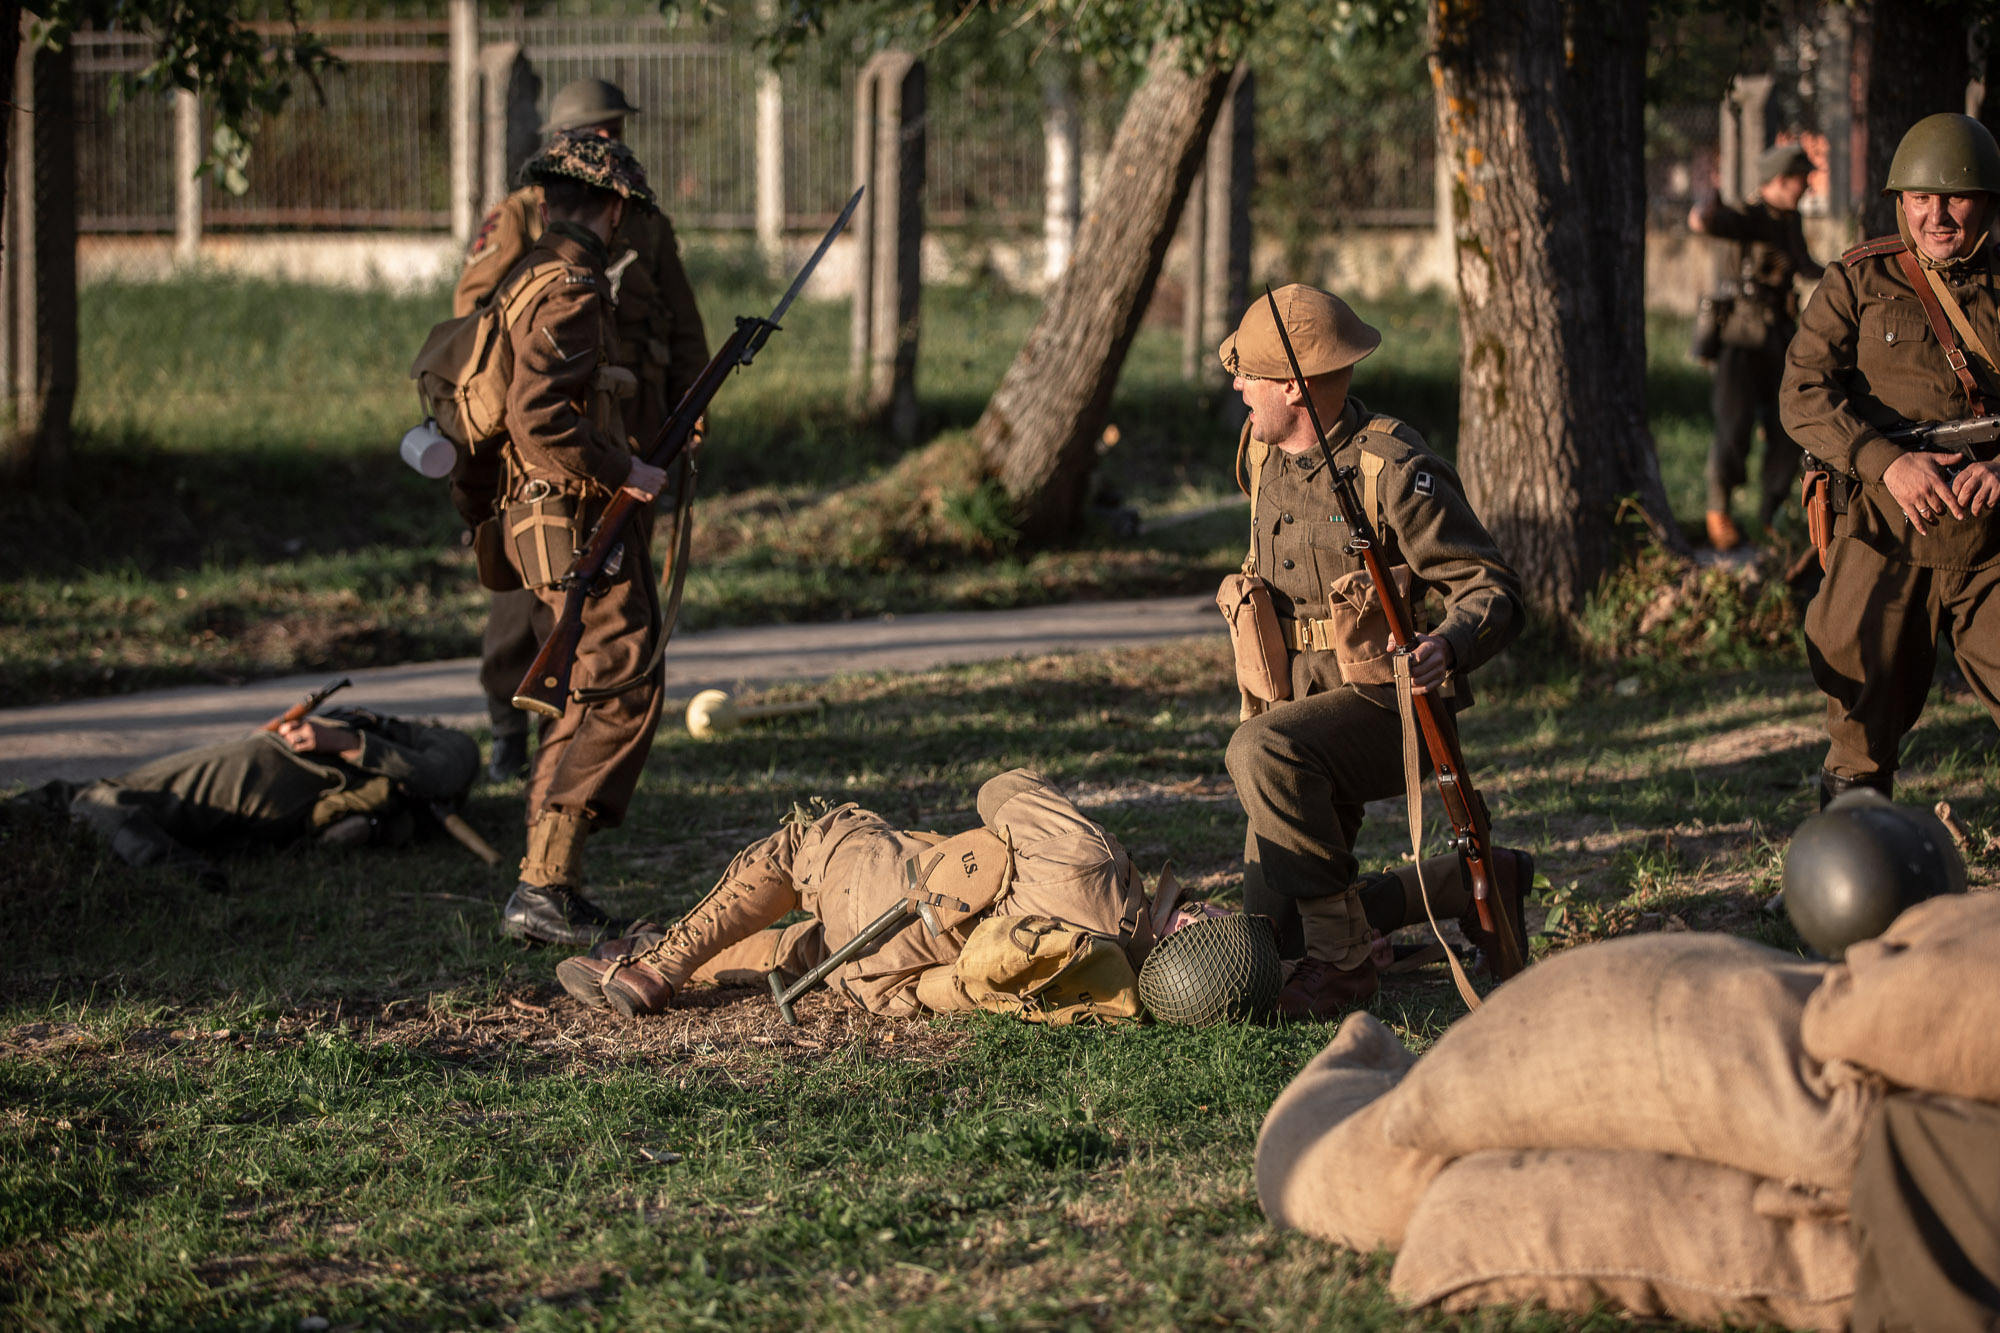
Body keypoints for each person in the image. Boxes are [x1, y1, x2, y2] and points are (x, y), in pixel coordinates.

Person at [1218, 284, 1529, 1021]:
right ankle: (1458, 884)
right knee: (1266, 944)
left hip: (1382, 712)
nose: (1237, 386)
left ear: (1294, 386)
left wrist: (1446, 646)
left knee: (1258, 749)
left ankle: (1345, 963)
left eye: (1251, 374)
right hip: (1300, 713)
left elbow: (1493, 588)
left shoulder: (1391, 469)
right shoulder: (1261, 458)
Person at [455, 78, 710, 785]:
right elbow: (478, 314)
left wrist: (692, 406)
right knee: (527, 593)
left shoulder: (640, 217)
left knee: (614, 579)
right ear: (565, 142)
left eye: (615, 131)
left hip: (634, 428)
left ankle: (576, 732)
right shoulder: (524, 216)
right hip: (549, 436)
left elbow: (681, 317)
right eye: (599, 132)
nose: (611, 143)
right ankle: (515, 726)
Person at [462, 135, 669, 946]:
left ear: (547, 203)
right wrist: (627, 469)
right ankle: (545, 884)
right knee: (620, 679)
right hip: (575, 518)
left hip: (553, 514)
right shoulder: (573, 288)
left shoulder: (529, 276)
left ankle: (547, 881)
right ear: (614, 210)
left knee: (586, 683)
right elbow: (540, 414)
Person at [1780, 112, 2000, 808]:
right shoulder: (1859, 281)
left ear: (1987, 201)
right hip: (1885, 530)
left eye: (1956, 197)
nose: (1936, 215)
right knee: (1859, 707)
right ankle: (1846, 869)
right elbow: (1803, 393)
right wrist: (1885, 462)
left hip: (1992, 536)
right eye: (1919, 199)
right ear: (1899, 202)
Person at [554, 770, 1160, 1020]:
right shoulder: (1113, 990)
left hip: (887, 888)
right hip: (884, 975)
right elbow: (959, 988)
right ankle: (644, 947)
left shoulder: (1094, 864)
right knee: (800, 950)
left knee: (797, 849)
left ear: (1193, 923)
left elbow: (1003, 789)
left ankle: (658, 968)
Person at [16, 709, 479, 886]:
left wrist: (341, 740)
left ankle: (186, 875)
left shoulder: (442, 744)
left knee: (98, 798)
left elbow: (444, 772)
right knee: (82, 800)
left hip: (274, 770)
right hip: (274, 774)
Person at [1689, 142, 1826, 549]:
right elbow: (1708, 223)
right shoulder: (1748, 216)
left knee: (1788, 428)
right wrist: (1705, 205)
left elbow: (1803, 265)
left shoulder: (1788, 219)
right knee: (1734, 428)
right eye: (1801, 178)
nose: (1807, 185)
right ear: (1780, 181)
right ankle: (1718, 510)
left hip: (1780, 339)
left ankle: (1770, 515)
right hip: (1740, 341)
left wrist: (1844, 269)